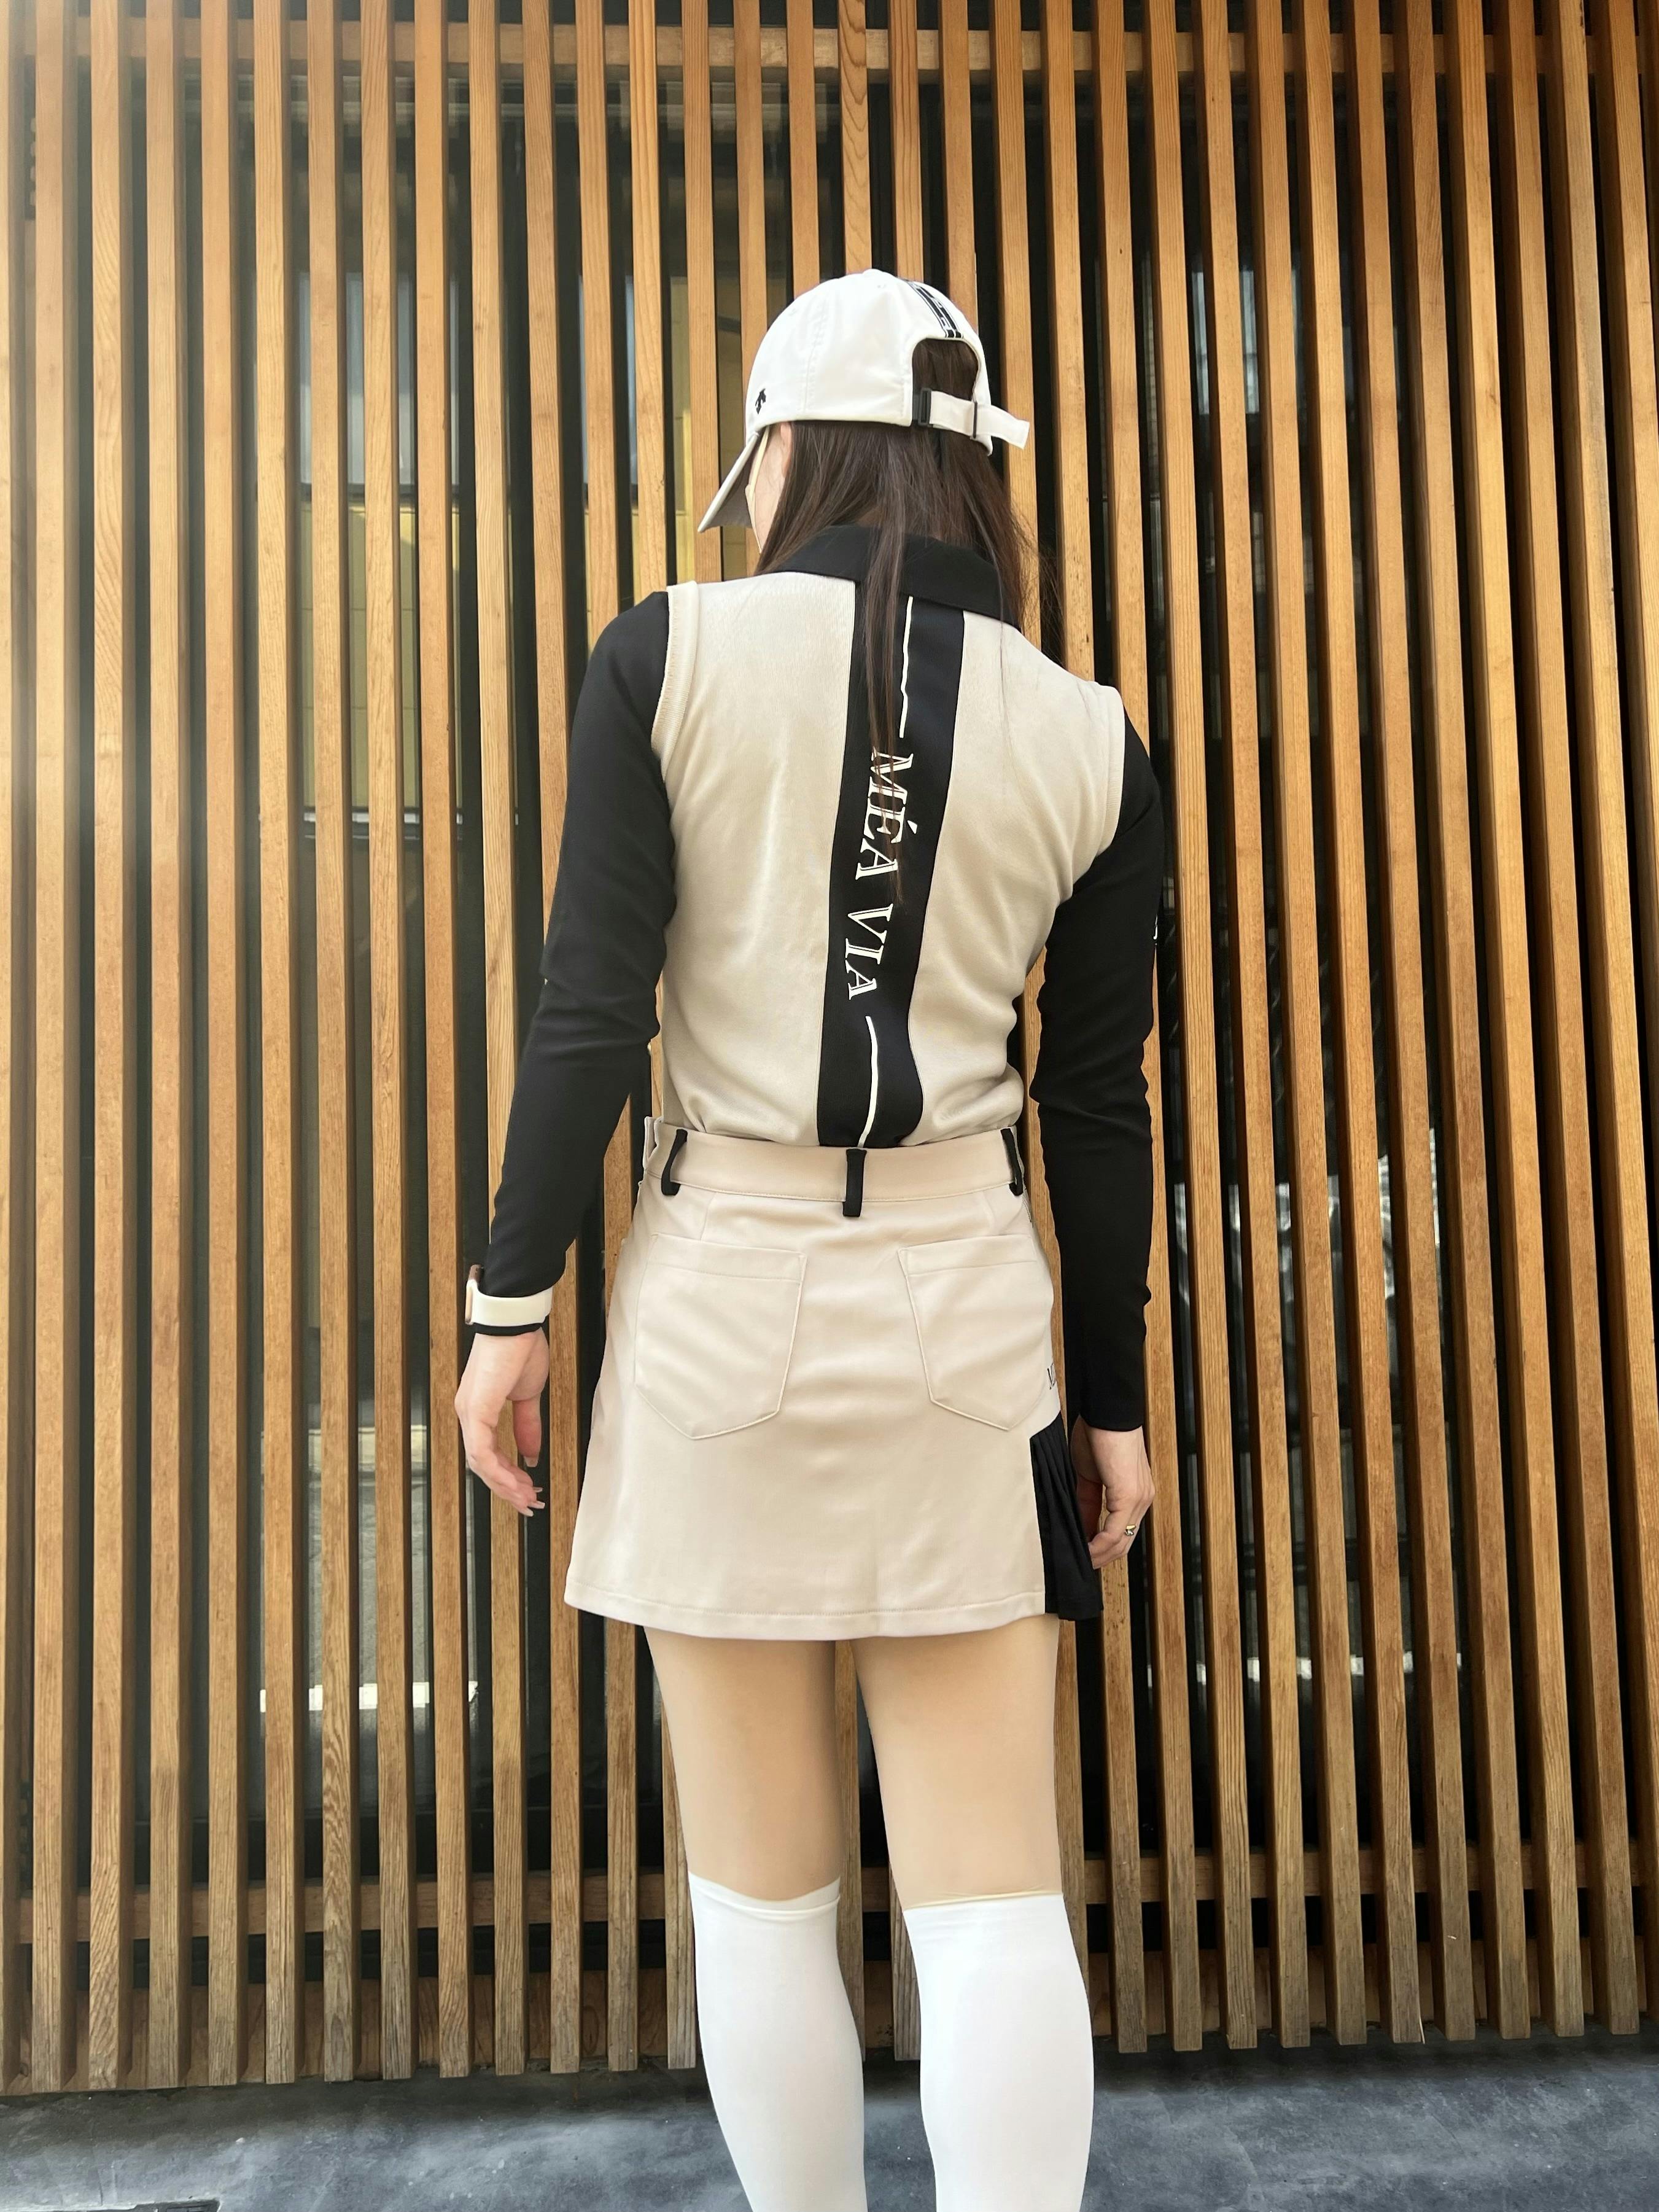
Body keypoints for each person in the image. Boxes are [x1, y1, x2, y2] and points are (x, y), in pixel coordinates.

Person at [453, 270, 1163, 2212]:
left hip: (721, 1295)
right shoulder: (1091, 733)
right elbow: (1097, 1104)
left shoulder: (664, 653)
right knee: (993, 1909)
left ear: (781, 452)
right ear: (974, 468)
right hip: (967, 1313)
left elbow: (590, 1010)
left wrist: (510, 1306)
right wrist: (1113, 1405)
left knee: (763, 1908)